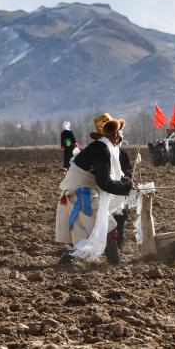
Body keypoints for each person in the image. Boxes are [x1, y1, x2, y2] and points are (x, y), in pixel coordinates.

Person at [56, 113, 133, 266]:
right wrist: (127, 188)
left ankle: (67, 261)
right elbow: (104, 182)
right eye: (119, 130)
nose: (122, 134)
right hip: (81, 192)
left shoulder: (109, 148)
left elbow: (122, 174)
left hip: (85, 190)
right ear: (114, 133)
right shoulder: (101, 149)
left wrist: (127, 183)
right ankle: (114, 264)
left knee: (87, 230)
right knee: (108, 225)